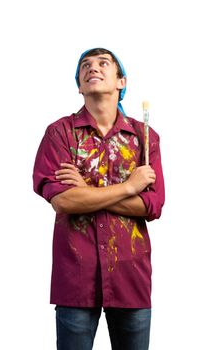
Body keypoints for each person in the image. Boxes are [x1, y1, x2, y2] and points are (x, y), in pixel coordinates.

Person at [33, 47, 165, 350]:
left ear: (121, 81)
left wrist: (86, 191)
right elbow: (63, 201)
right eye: (85, 66)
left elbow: (153, 206)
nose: (93, 68)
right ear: (79, 85)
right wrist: (130, 187)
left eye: (104, 63)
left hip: (131, 275)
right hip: (76, 276)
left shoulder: (145, 137)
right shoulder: (60, 133)